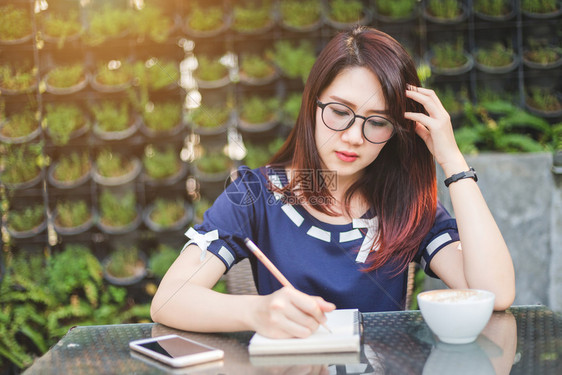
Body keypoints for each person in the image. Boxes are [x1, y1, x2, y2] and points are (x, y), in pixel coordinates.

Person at [151, 26, 515, 339]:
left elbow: (494, 294)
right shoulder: (256, 194)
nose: (354, 136)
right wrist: (255, 312)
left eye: (377, 122)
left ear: (396, 131)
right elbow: (169, 299)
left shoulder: (406, 203)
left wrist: (453, 161)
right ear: (313, 104)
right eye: (340, 112)